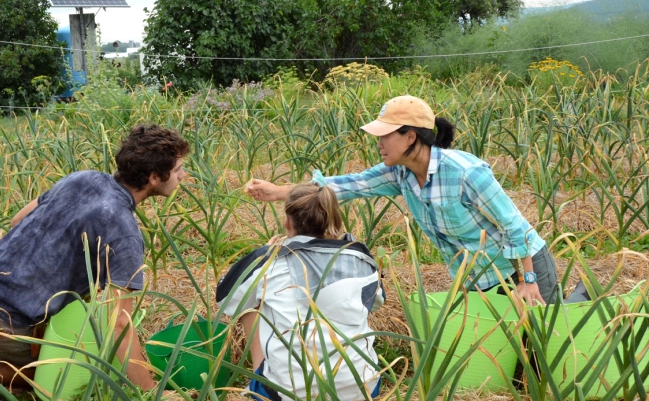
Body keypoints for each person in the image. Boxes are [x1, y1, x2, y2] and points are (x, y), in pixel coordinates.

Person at [0, 124, 189, 397]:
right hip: (1, 318)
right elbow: (119, 323)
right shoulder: (124, 232)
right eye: (178, 170)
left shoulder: (84, 177)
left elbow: (17, 220)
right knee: (55, 375)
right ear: (154, 177)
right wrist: (152, 395)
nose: (183, 175)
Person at [247, 95, 586, 306]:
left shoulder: (466, 172)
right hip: (477, 279)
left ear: (410, 136)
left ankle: (590, 299)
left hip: (520, 267)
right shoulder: (400, 173)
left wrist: (528, 282)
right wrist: (279, 191)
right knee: (511, 364)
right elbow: (349, 186)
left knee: (548, 349)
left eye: (384, 135)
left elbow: (515, 227)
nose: (378, 143)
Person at [217, 183, 385, 401]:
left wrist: (265, 254)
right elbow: (377, 302)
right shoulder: (360, 258)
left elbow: (225, 301)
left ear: (287, 221)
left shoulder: (268, 259)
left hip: (288, 397)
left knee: (250, 300)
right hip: (362, 388)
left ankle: (261, 374)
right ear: (333, 219)